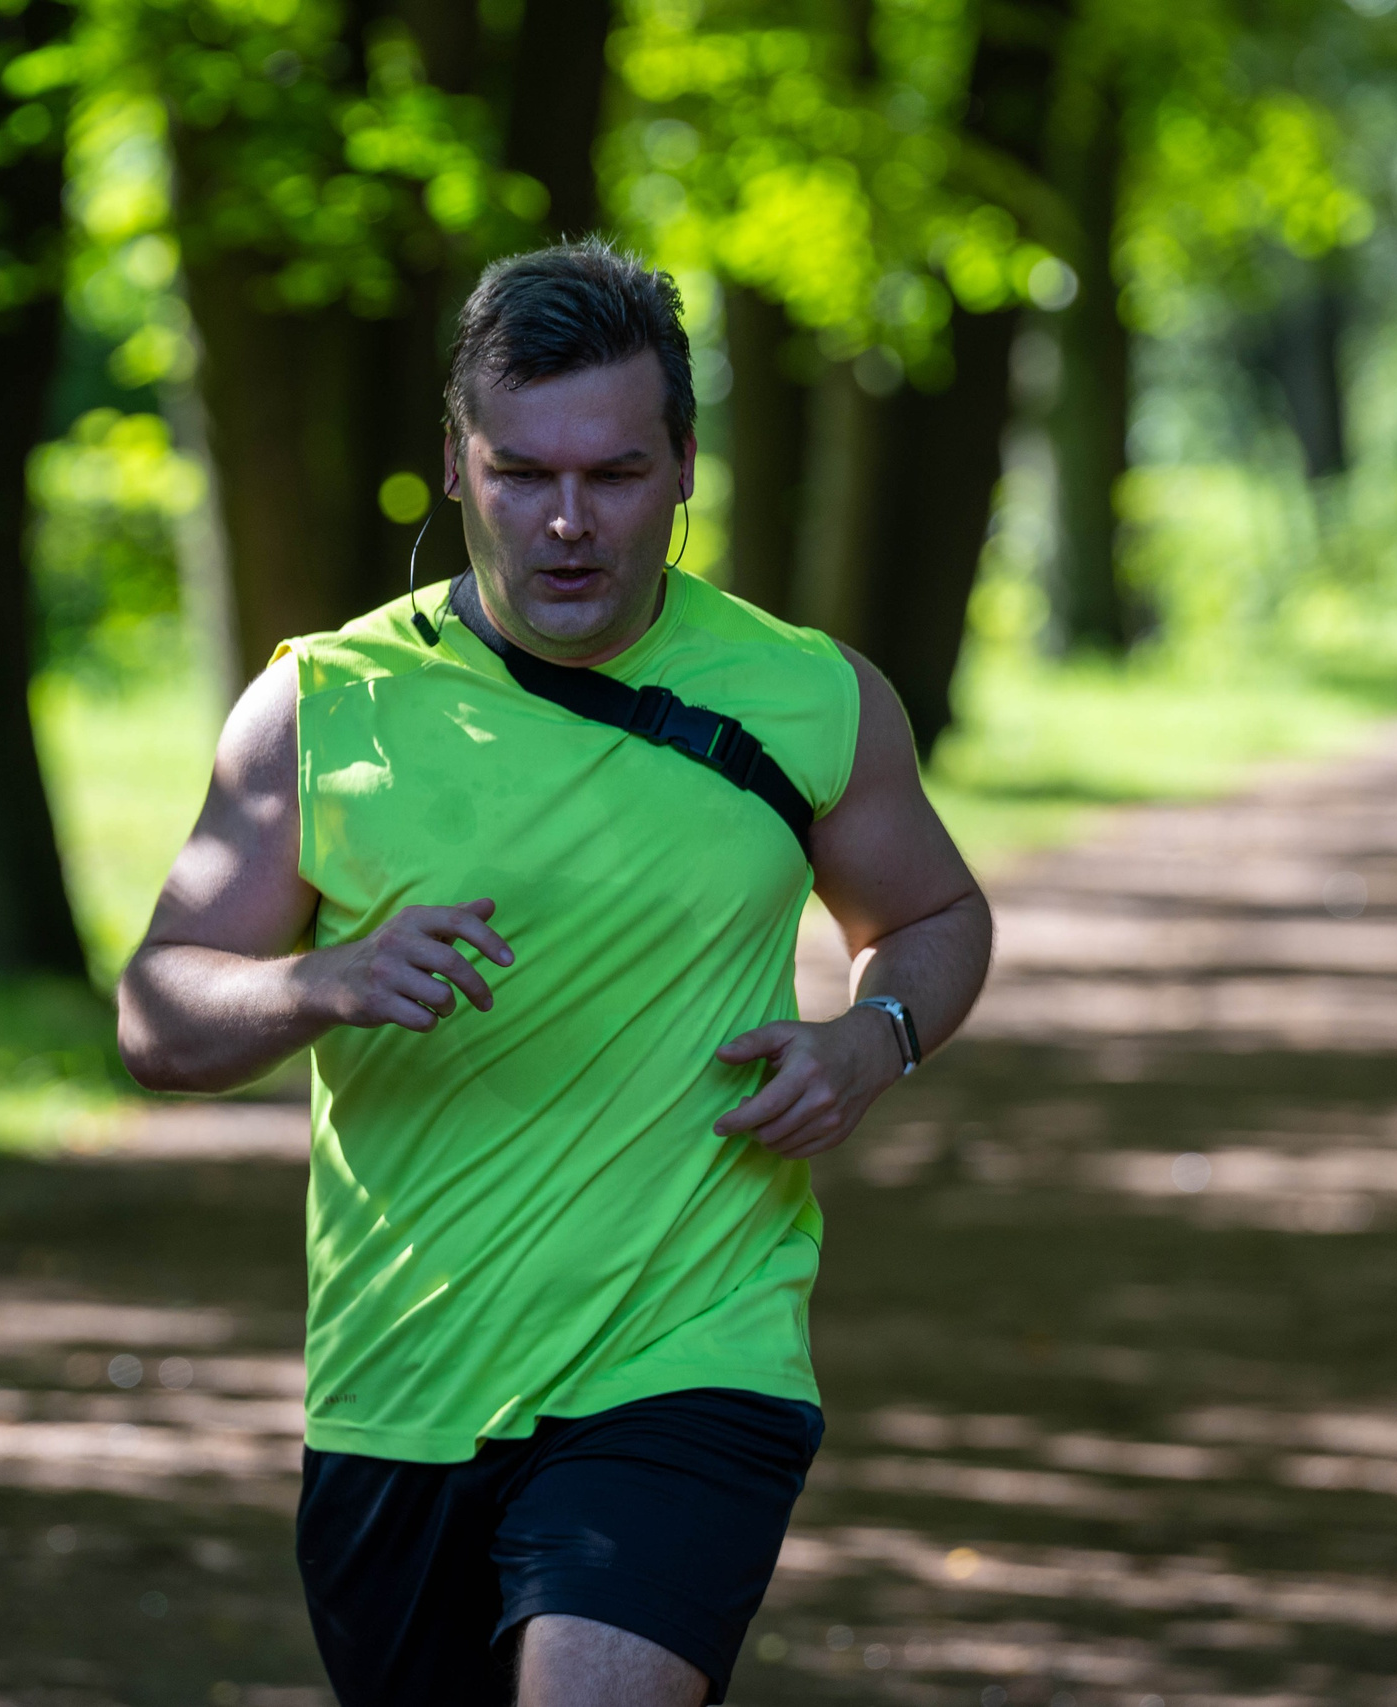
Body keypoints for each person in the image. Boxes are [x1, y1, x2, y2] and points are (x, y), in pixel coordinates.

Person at [117, 239, 992, 1707]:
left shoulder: (812, 694)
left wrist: (873, 1038)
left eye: (616, 474)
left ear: (687, 469)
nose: (568, 521)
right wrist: (317, 984)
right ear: (457, 469)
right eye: (522, 474)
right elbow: (158, 1012)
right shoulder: (321, 707)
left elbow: (938, 913)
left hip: (691, 1354)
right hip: (400, 1390)